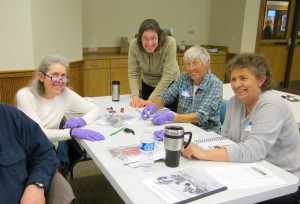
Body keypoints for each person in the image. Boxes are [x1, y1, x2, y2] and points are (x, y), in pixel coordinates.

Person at [181, 53, 300, 203]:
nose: (237, 84)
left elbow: (254, 150)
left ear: (261, 80)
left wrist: (204, 153)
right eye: (233, 79)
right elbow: (224, 139)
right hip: (248, 169)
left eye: (243, 78)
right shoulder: (234, 102)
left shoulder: (271, 105)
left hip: (282, 179)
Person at [16, 54, 105, 175]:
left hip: (50, 148)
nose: (60, 80)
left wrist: (82, 121)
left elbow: (95, 109)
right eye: (55, 75)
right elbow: (38, 133)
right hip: (28, 150)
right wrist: (71, 132)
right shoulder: (25, 95)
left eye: (63, 76)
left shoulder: (65, 94)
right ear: (41, 77)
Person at [0, 102, 75, 204]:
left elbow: (43, 152)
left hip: (50, 142)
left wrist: (37, 184)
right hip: (53, 138)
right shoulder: (26, 95)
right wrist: (69, 133)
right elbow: (44, 132)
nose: (61, 84)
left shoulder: (9, 116)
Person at [141, 45, 223, 133]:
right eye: (188, 64)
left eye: (195, 63)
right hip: (185, 127)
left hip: (206, 133)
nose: (191, 68)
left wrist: (172, 116)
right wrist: (154, 106)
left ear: (207, 63)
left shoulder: (214, 84)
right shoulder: (184, 78)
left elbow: (200, 116)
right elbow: (167, 96)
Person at [128, 19, 180, 112]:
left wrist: (152, 99)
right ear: (140, 38)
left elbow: (167, 76)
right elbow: (132, 73)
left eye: (153, 38)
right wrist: (135, 96)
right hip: (148, 83)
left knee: (166, 116)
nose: (149, 43)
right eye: (145, 38)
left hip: (169, 85)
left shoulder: (170, 43)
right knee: (145, 114)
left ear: (159, 37)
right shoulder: (134, 45)